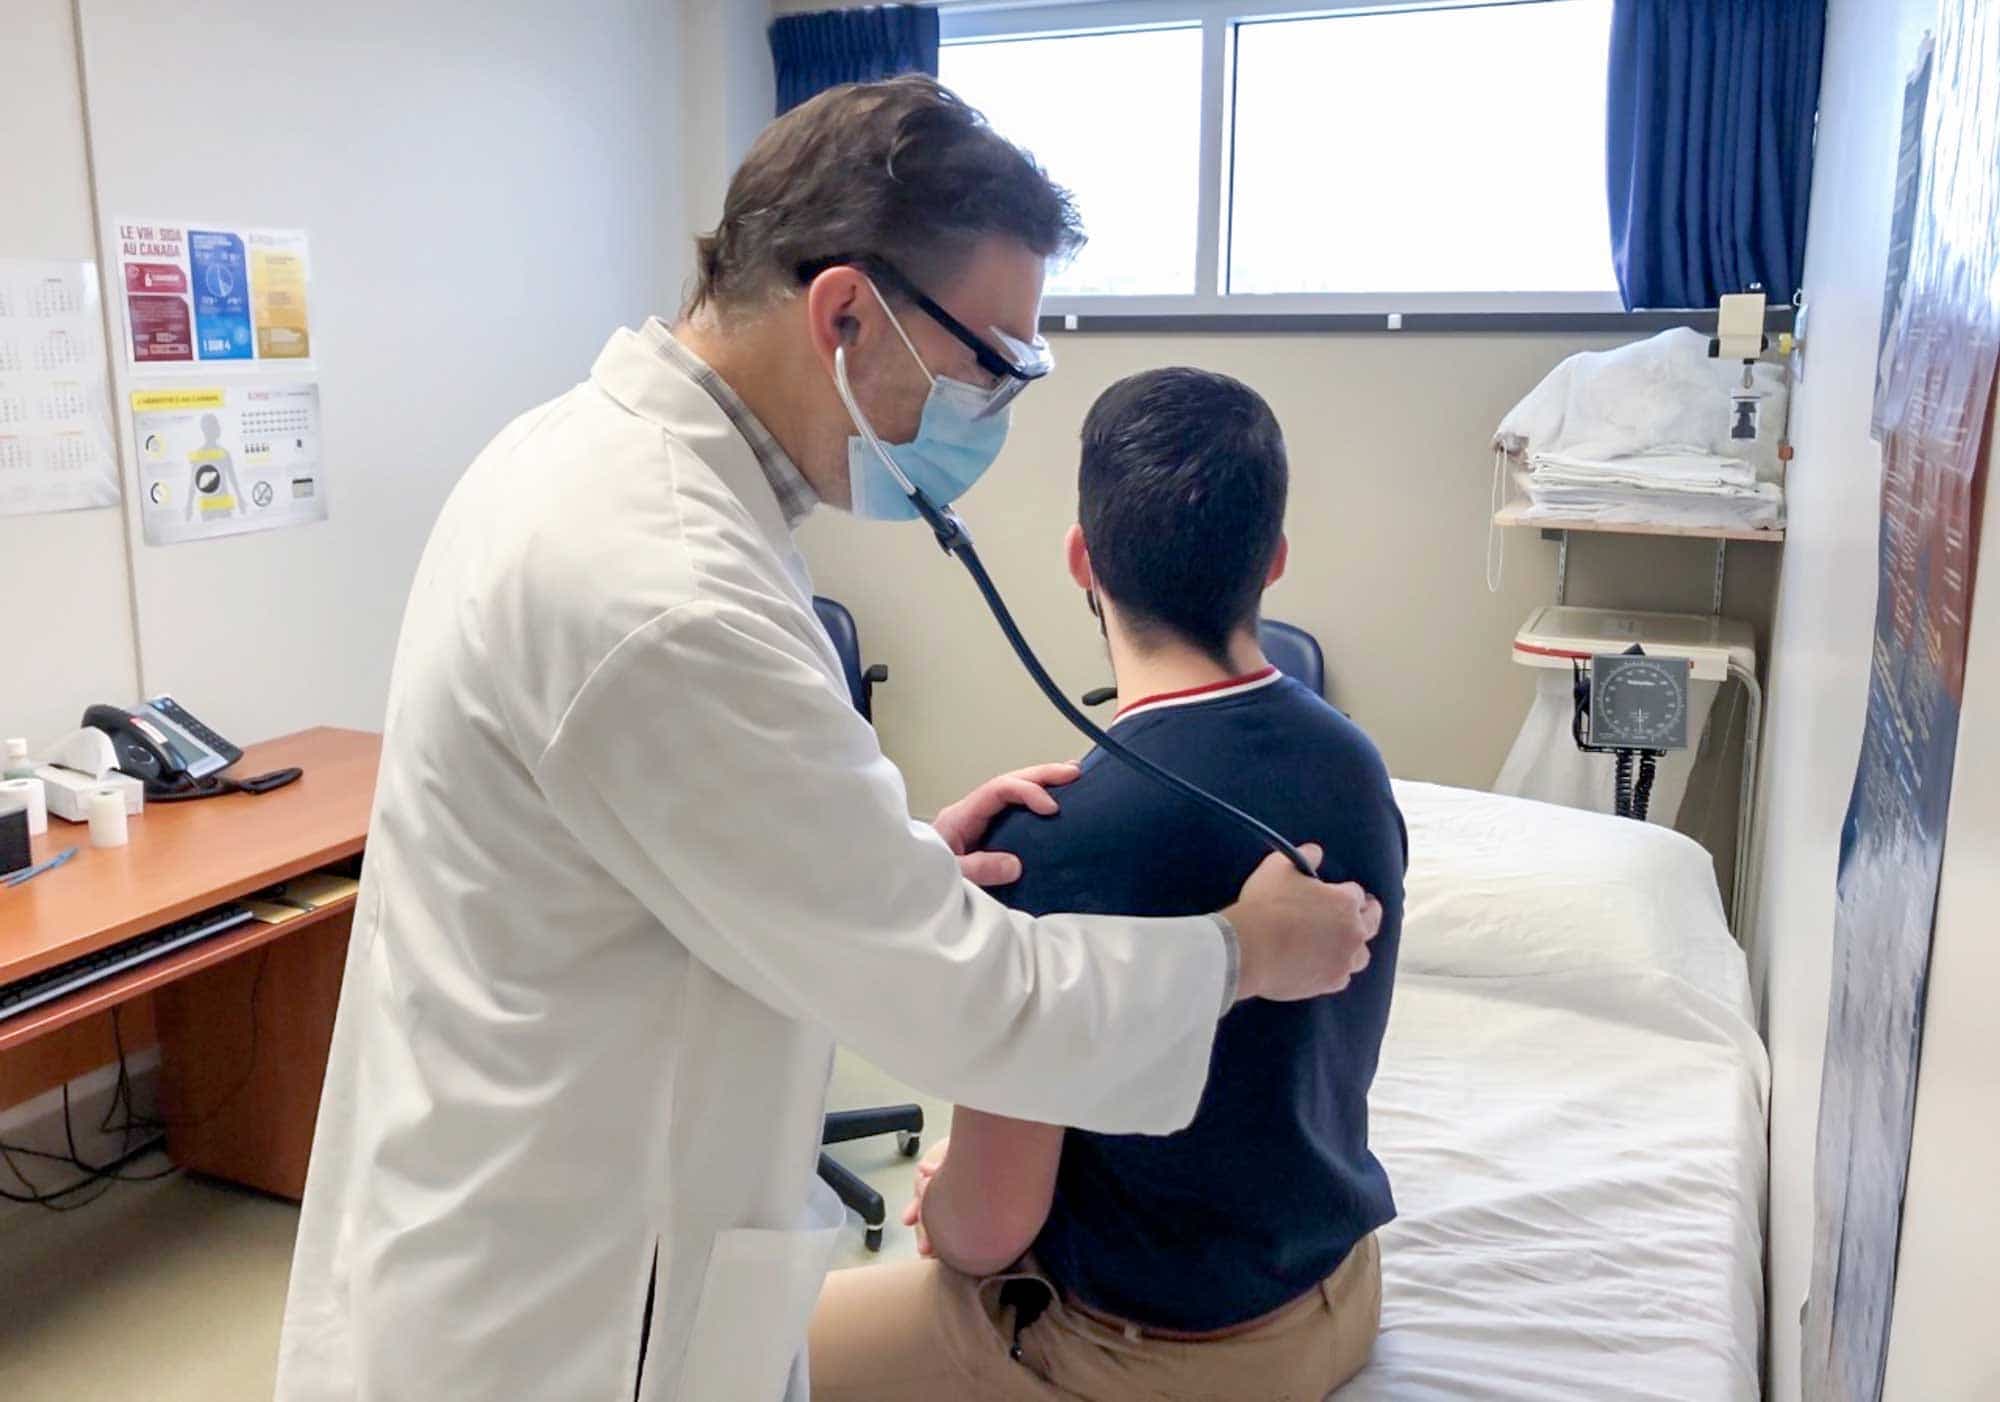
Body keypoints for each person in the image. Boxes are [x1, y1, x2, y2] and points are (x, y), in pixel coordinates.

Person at [275, 80, 1384, 1402]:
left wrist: (887, 854)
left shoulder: (590, 467)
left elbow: (681, 835)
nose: (998, 409)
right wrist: (1240, 952)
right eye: (993, 365)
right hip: (566, 1293)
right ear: (847, 314)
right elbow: (967, 1000)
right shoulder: (661, 586)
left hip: (564, 1173)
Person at [810, 368, 1409, 1401]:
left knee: (730, 1355)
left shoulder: (1052, 844)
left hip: (1157, 1357)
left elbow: (984, 1235)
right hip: (1336, 1297)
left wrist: (949, 1189)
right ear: (1271, 559)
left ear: (1080, 560)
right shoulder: (1353, 764)